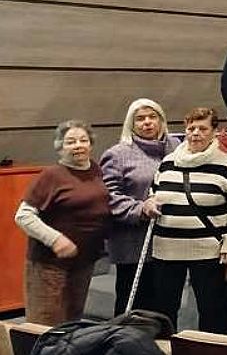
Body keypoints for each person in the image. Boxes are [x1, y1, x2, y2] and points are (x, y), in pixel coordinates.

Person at [149, 107, 227, 333]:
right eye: (191, 128)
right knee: (164, 310)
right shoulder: (168, 162)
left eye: (202, 128)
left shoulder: (226, 164)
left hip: (208, 251)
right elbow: (153, 193)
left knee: (212, 311)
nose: (195, 133)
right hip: (167, 249)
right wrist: (149, 203)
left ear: (214, 131)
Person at [15, 120, 110, 325]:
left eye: (83, 140)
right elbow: (23, 216)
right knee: (44, 324)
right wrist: (56, 239)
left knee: (72, 321)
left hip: (84, 261)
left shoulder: (95, 169)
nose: (78, 145)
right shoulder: (51, 175)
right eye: (71, 142)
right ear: (60, 147)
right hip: (49, 264)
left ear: (91, 144)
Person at [100, 99, 179, 315]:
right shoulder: (117, 154)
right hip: (134, 244)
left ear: (162, 120)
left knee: (166, 305)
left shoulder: (177, 148)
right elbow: (108, 197)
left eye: (152, 117)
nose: (147, 123)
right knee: (134, 306)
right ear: (130, 124)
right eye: (140, 118)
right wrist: (140, 208)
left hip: (171, 241)